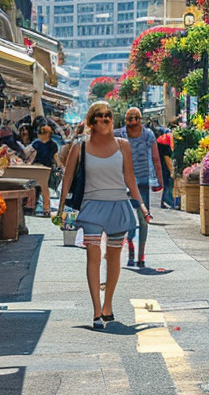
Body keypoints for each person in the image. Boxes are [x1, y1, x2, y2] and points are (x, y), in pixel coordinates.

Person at [57, 102, 150, 330]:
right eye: (99, 115)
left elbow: (130, 178)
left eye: (108, 115)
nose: (105, 118)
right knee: (93, 256)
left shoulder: (123, 145)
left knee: (114, 257)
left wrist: (142, 205)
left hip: (118, 205)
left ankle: (108, 306)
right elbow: (67, 180)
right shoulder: (80, 147)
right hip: (91, 207)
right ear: (91, 121)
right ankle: (96, 310)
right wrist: (61, 209)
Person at [115, 107, 163, 269]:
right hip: (124, 183)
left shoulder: (147, 135)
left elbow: (156, 158)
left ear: (141, 120)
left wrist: (159, 181)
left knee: (139, 219)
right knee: (134, 220)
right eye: (130, 119)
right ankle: (134, 249)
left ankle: (138, 252)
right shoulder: (119, 135)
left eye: (136, 118)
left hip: (139, 183)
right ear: (126, 120)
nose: (134, 122)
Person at [28, 124, 60, 213]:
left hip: (38, 167)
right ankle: (46, 208)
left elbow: (31, 156)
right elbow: (55, 157)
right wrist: (60, 166)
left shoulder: (36, 143)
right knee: (44, 187)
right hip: (46, 168)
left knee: (34, 186)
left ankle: (32, 206)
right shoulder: (53, 145)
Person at [157, 132, 176, 209]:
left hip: (159, 166)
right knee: (167, 184)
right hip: (164, 168)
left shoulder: (159, 143)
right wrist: (172, 171)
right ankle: (168, 201)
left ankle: (163, 201)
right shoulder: (165, 146)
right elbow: (167, 159)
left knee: (164, 185)